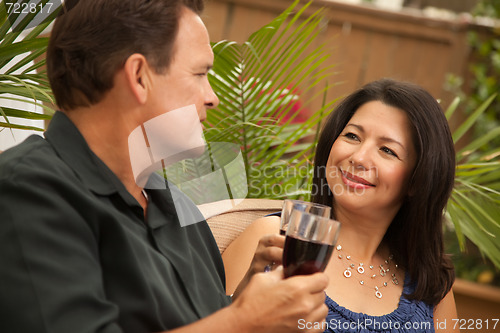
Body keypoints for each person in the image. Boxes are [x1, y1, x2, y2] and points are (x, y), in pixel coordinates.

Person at [0, 1, 328, 332]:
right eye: (200, 74)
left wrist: (248, 301)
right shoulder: (28, 190)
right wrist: (244, 321)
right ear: (139, 76)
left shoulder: (174, 206)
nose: (213, 97)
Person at [223, 78, 459, 332]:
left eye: (387, 150)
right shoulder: (275, 240)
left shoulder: (431, 285)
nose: (358, 157)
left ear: (417, 180)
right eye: (352, 136)